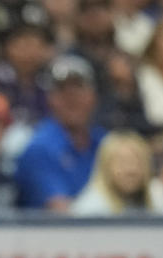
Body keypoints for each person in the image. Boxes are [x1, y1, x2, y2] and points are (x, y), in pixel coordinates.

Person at [14, 54, 107, 212]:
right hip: (48, 235)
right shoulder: (39, 149)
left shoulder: (104, 141)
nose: (72, 98)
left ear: (93, 96)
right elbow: (61, 212)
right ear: (50, 98)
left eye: (79, 88)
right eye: (62, 90)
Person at [71, 130, 154, 216]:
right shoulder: (90, 210)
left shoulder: (154, 199)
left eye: (138, 162)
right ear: (105, 167)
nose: (131, 170)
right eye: (122, 162)